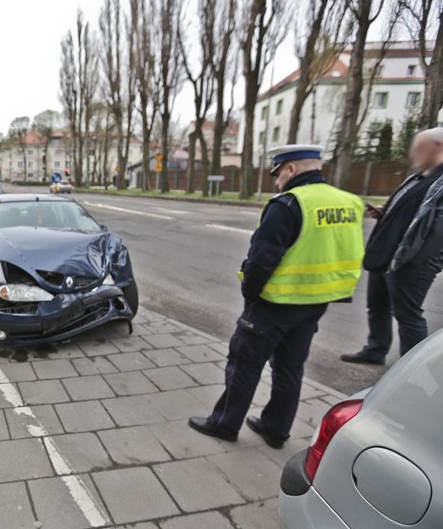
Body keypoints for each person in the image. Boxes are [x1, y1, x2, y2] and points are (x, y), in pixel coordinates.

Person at [189, 145, 365, 449]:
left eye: (278, 173)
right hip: (315, 304)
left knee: (244, 363)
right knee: (290, 368)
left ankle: (224, 423)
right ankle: (275, 428)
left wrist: (250, 293)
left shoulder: (288, 204)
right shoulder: (350, 202)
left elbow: (262, 259)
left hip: (275, 303)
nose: (277, 181)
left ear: (292, 170)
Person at [342, 127, 443, 365]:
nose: (413, 154)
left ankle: (412, 371)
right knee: (377, 306)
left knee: (408, 315)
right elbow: (411, 214)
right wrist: (385, 213)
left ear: (438, 147)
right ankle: (375, 350)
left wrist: (413, 260)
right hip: (389, 254)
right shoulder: (419, 177)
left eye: (418, 149)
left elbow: (438, 230)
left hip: (411, 261)